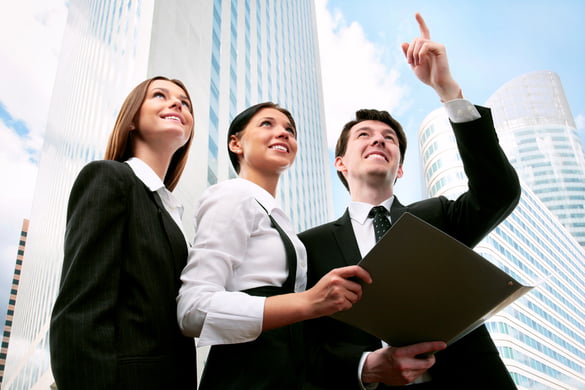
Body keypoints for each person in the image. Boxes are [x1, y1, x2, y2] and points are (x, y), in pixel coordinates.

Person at [299, 13, 521, 390]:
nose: (379, 140)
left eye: (389, 138)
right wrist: (365, 367)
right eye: (364, 135)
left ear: (400, 169)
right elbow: (305, 345)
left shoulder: (438, 216)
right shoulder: (309, 246)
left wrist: (448, 90)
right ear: (341, 163)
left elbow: (499, 193)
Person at [177, 102, 372, 390]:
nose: (283, 133)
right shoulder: (231, 196)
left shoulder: (280, 220)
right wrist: (308, 302)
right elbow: (192, 310)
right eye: (267, 124)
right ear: (236, 143)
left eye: (290, 130)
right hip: (244, 377)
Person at [50, 76, 198, 390]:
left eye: (185, 103)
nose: (177, 104)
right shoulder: (109, 178)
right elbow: (80, 312)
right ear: (131, 119)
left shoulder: (173, 214)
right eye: (160, 95)